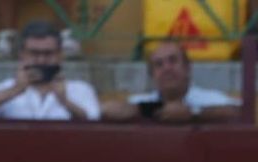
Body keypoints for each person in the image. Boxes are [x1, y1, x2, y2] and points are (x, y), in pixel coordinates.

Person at [0, 21, 98, 121]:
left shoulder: (80, 89)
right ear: (22, 55)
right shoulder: (7, 88)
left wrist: (65, 101)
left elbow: (93, 118)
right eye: (34, 53)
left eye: (48, 53)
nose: (41, 60)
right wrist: (15, 90)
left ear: (60, 55)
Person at [101, 39, 240, 124]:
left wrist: (193, 113)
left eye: (173, 61)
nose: (167, 68)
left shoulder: (210, 99)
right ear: (152, 75)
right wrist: (153, 110)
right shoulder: (143, 101)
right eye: (159, 64)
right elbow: (107, 110)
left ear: (187, 68)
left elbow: (240, 111)